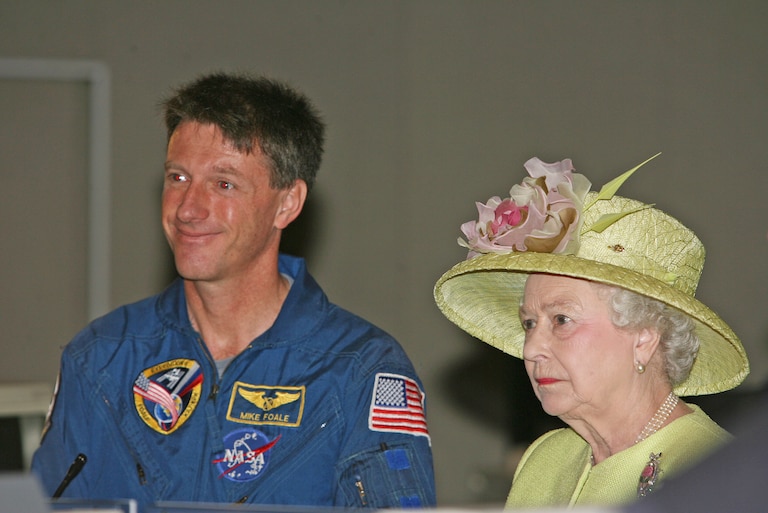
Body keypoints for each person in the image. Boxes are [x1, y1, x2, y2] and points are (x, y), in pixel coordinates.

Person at [32, 72, 435, 511]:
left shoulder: (360, 370)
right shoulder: (101, 357)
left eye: (223, 184)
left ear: (287, 203)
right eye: (178, 177)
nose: (188, 208)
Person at [433, 156, 749, 509]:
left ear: (644, 337)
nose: (532, 348)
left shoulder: (713, 471)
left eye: (561, 320)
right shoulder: (545, 459)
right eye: (529, 323)